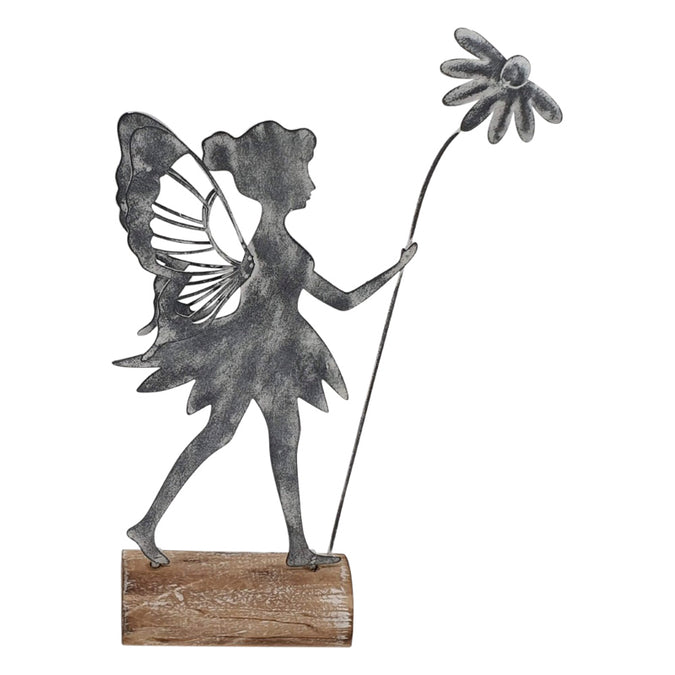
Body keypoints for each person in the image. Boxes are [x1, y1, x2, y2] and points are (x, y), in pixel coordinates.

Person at [117, 118, 417, 568]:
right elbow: (343, 302)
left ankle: (294, 546)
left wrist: (396, 270)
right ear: (280, 182)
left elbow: (342, 301)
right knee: (234, 437)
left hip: (273, 354)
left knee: (265, 438)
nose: (311, 184)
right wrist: (396, 270)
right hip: (252, 354)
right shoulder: (276, 250)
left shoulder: (271, 246)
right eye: (305, 172)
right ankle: (152, 524)